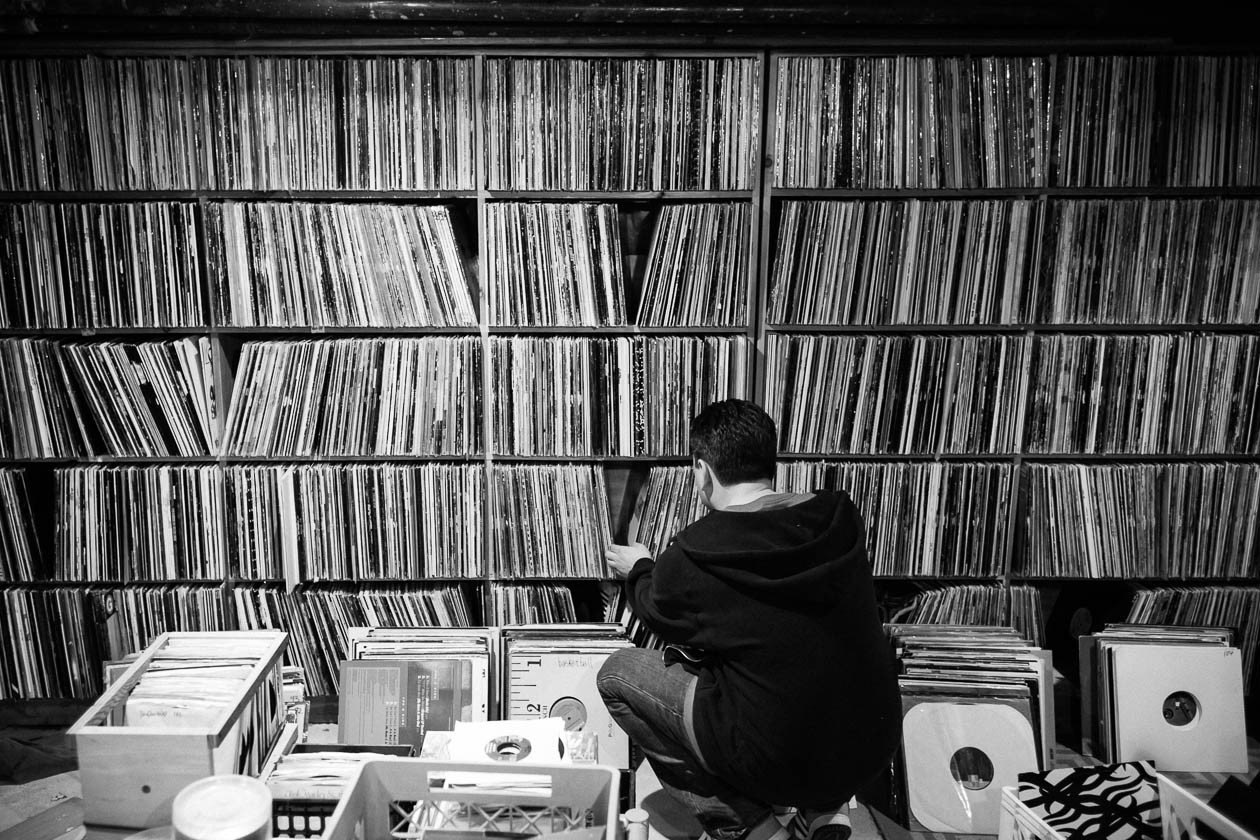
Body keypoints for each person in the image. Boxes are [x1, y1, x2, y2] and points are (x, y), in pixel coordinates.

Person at [597, 399, 901, 840]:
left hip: (778, 761)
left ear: (702, 470)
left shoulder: (697, 552)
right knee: (805, 655)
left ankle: (751, 828)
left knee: (617, 675)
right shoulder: (840, 516)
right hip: (868, 750)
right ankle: (825, 812)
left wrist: (641, 567)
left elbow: (655, 607)